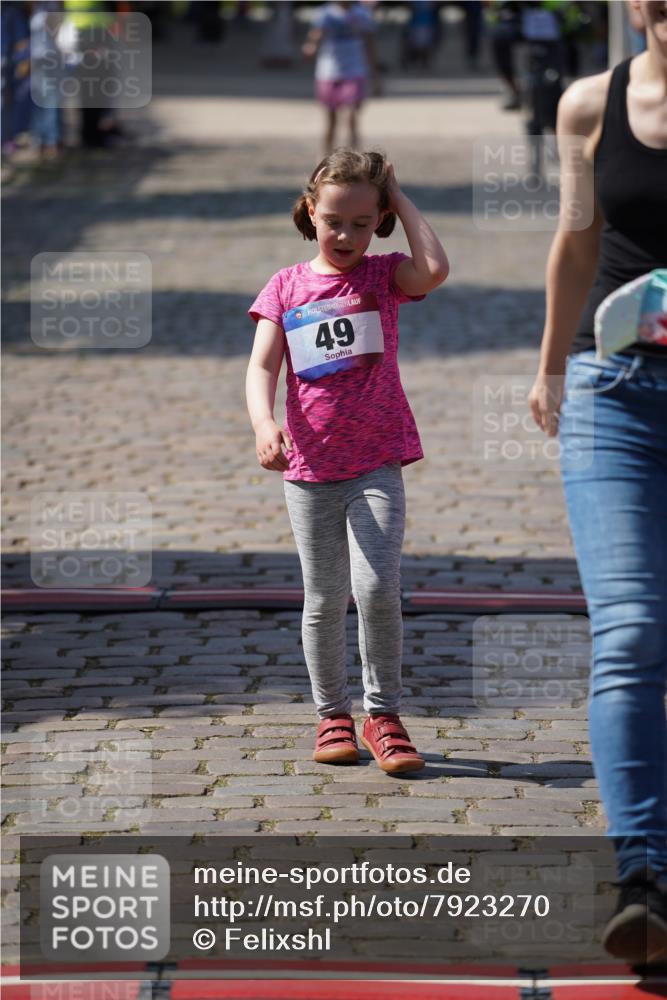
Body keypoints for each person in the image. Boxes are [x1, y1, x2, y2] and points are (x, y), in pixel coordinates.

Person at [528, 0, 667, 966]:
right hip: (613, 388)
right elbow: (576, 240)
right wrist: (547, 369)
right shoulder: (588, 104)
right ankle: (644, 878)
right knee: (628, 632)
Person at [246, 149, 449, 774]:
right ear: (311, 211)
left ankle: (383, 713)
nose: (346, 235)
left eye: (363, 223)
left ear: (380, 221)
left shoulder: (383, 277)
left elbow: (435, 269)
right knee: (325, 595)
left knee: (377, 587)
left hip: (377, 463)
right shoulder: (285, 285)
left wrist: (400, 194)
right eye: (334, 220)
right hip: (309, 471)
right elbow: (262, 366)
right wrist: (263, 422)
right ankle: (331, 713)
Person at [302, 1, 379, 155]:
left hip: (354, 70)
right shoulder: (325, 13)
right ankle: (325, 159)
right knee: (331, 121)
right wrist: (310, 47)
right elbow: (316, 35)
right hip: (329, 71)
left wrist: (375, 74)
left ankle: (355, 161)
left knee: (351, 116)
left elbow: (369, 44)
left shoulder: (362, 14)